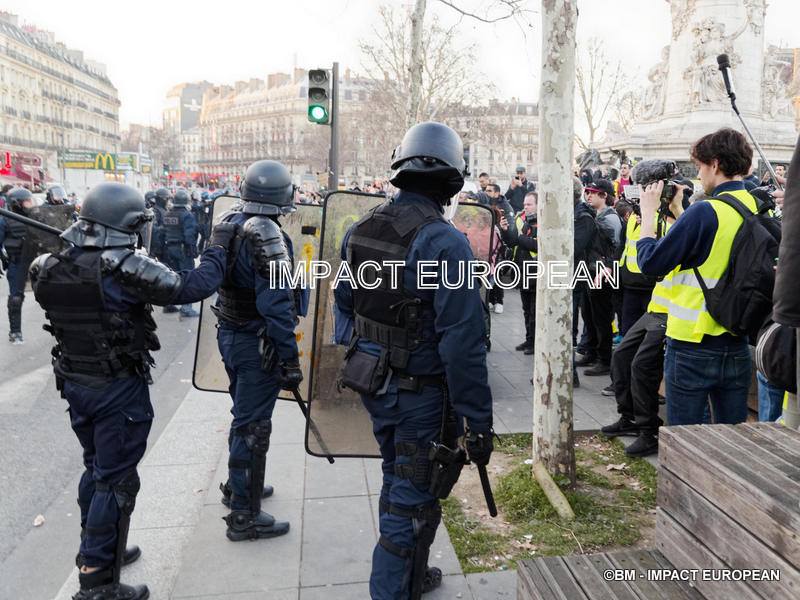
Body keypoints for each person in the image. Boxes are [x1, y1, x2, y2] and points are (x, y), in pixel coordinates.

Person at [28, 182, 237, 600]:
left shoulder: (47, 266)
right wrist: (217, 246)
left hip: (75, 383)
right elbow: (189, 287)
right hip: (115, 390)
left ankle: (101, 549)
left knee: (97, 470)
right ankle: (96, 581)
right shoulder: (121, 266)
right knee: (114, 481)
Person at [334, 122, 493, 600]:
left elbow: (345, 304)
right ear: (451, 180)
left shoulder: (360, 228)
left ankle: (413, 575)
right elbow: (463, 343)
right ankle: (393, 588)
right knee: (411, 501)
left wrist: (371, 351)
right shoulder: (445, 243)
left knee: (400, 479)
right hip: (418, 395)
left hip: (374, 384)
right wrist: (477, 422)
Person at [213, 159, 307, 542]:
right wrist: (289, 357)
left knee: (243, 416)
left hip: (231, 333)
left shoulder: (230, 223)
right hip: (257, 342)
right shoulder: (269, 234)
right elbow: (276, 305)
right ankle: (244, 516)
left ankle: (241, 487)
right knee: (253, 426)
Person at [637, 128, 757, 426]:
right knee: (733, 438)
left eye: (701, 166)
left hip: (692, 344)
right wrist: (680, 210)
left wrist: (649, 214)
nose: (699, 174)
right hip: (738, 341)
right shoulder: (759, 206)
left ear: (715, 164)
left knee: (686, 440)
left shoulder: (705, 211)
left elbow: (650, 263)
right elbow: (713, 249)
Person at [576, 178, 621, 376]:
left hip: (602, 275)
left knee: (601, 317)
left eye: (593, 192)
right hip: (591, 272)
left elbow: (616, 248)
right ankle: (592, 352)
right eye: (587, 192)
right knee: (589, 314)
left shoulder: (610, 218)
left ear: (604, 195)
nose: (589, 195)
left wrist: (608, 269)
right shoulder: (596, 214)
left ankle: (604, 359)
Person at [499, 191, 538, 354]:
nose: (525, 208)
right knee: (526, 310)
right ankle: (529, 340)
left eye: (529, 205)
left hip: (537, 274)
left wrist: (520, 239)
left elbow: (537, 245)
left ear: (538, 205)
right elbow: (513, 241)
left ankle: (535, 342)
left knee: (535, 311)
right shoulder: (524, 220)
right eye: (524, 205)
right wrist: (506, 230)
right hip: (523, 272)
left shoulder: (544, 221)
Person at [0, 187, 35, 343]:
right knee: (16, 298)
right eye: (28, 202)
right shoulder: (5, 220)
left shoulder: (37, 217)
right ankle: (15, 332)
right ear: (17, 204)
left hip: (37, 262)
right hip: (18, 263)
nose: (31, 204)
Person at [162, 189, 199, 318]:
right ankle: (186, 308)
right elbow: (189, 235)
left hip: (169, 249)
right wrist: (193, 250)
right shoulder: (186, 215)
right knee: (188, 278)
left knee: (171, 277)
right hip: (183, 250)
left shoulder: (167, 214)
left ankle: (168, 304)